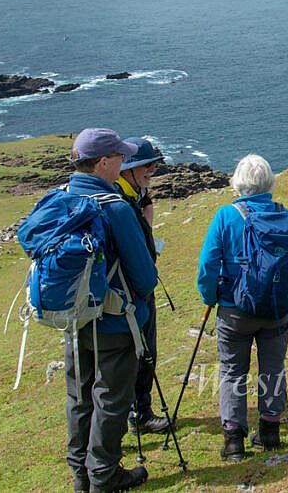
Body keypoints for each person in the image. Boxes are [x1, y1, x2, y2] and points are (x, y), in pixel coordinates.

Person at [197, 154, 288, 461]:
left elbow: (208, 264)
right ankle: (270, 432)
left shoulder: (225, 216)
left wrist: (209, 296)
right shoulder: (287, 217)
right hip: (278, 309)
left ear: (238, 183)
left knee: (232, 372)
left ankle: (233, 441)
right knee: (273, 369)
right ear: (269, 183)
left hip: (234, 308)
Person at [63, 128, 157, 493]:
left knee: (80, 396)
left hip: (73, 319)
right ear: (103, 162)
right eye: (119, 157)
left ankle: (81, 474)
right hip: (115, 322)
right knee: (112, 399)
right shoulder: (114, 206)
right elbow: (145, 275)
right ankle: (104, 476)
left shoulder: (63, 196)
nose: (123, 162)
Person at [115, 137, 170, 436]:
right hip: (130, 292)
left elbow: (147, 203)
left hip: (139, 286)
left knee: (146, 351)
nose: (152, 169)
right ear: (127, 169)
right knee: (136, 353)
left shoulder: (135, 191)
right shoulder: (119, 201)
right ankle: (136, 414)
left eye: (154, 164)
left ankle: (140, 411)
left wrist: (149, 235)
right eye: (146, 165)